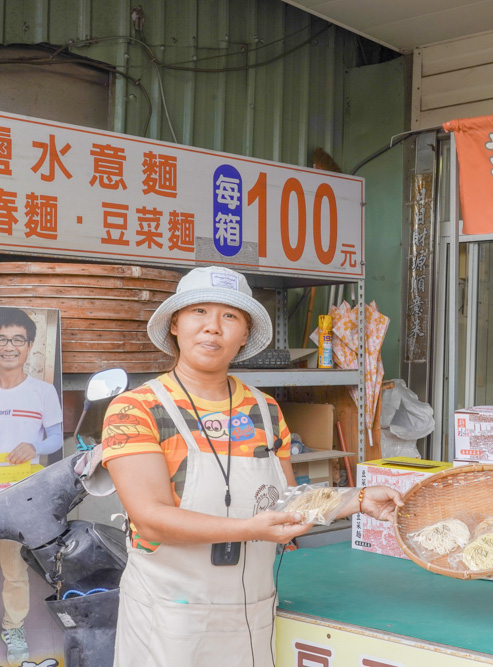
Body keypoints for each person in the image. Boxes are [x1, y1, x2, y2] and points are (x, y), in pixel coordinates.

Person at [102, 266, 403, 666]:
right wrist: (250, 530)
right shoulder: (137, 408)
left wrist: (357, 499)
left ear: (244, 335)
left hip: (248, 612)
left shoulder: (263, 409)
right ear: (175, 323)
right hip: (168, 613)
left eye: (230, 317)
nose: (212, 328)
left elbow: (290, 501)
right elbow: (152, 518)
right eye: (199, 313)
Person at [0, 307, 63, 663]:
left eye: (17, 340)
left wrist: (35, 447)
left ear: (30, 346)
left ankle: (14, 628)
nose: (9, 347)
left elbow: (55, 439)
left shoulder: (42, 392)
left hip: (18, 499)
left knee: (14, 571)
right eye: (2, 339)